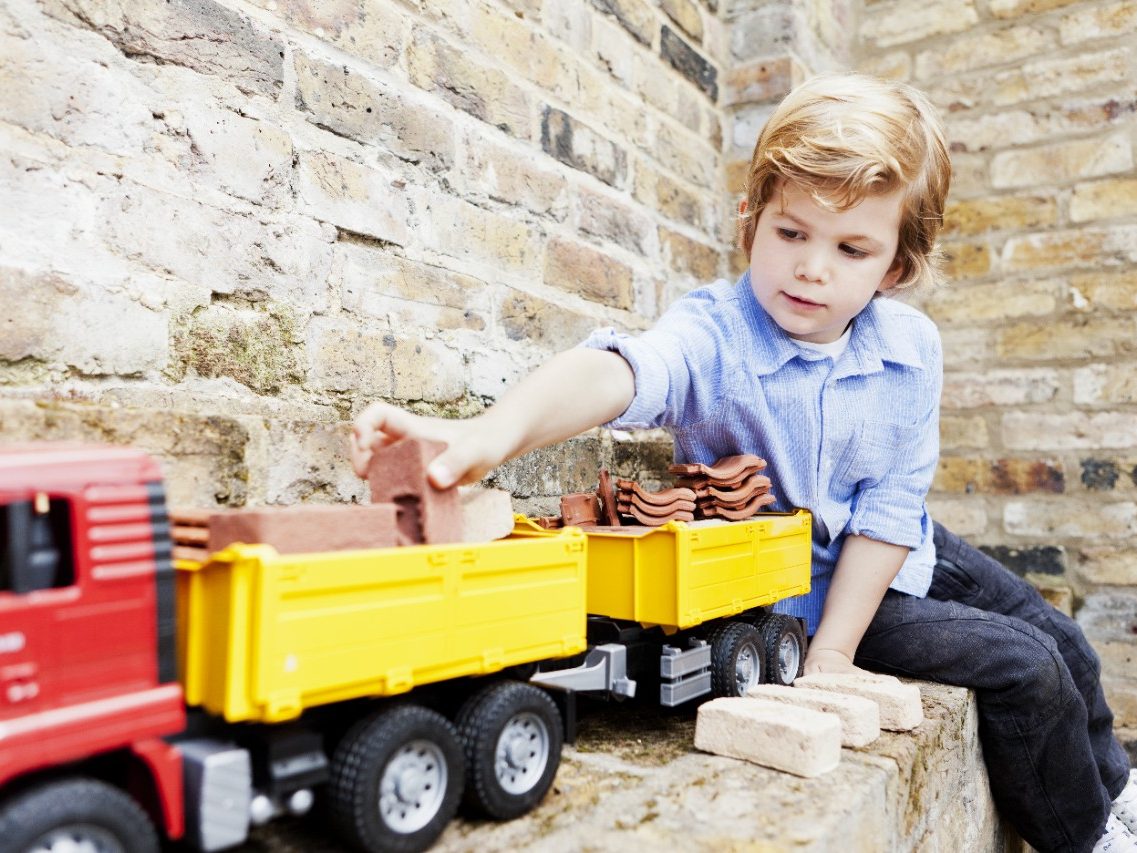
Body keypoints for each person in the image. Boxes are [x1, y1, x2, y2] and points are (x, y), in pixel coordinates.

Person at [350, 73, 1136, 853]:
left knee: (1063, 637)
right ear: (749, 224)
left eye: (850, 247)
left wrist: (836, 650)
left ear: (894, 268)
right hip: (809, 587)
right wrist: (489, 433)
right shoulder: (715, 335)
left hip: (889, 545)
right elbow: (620, 372)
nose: (811, 268)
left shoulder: (909, 350)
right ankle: (1086, 838)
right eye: (790, 233)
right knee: (1028, 665)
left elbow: (890, 506)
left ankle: (1118, 794)